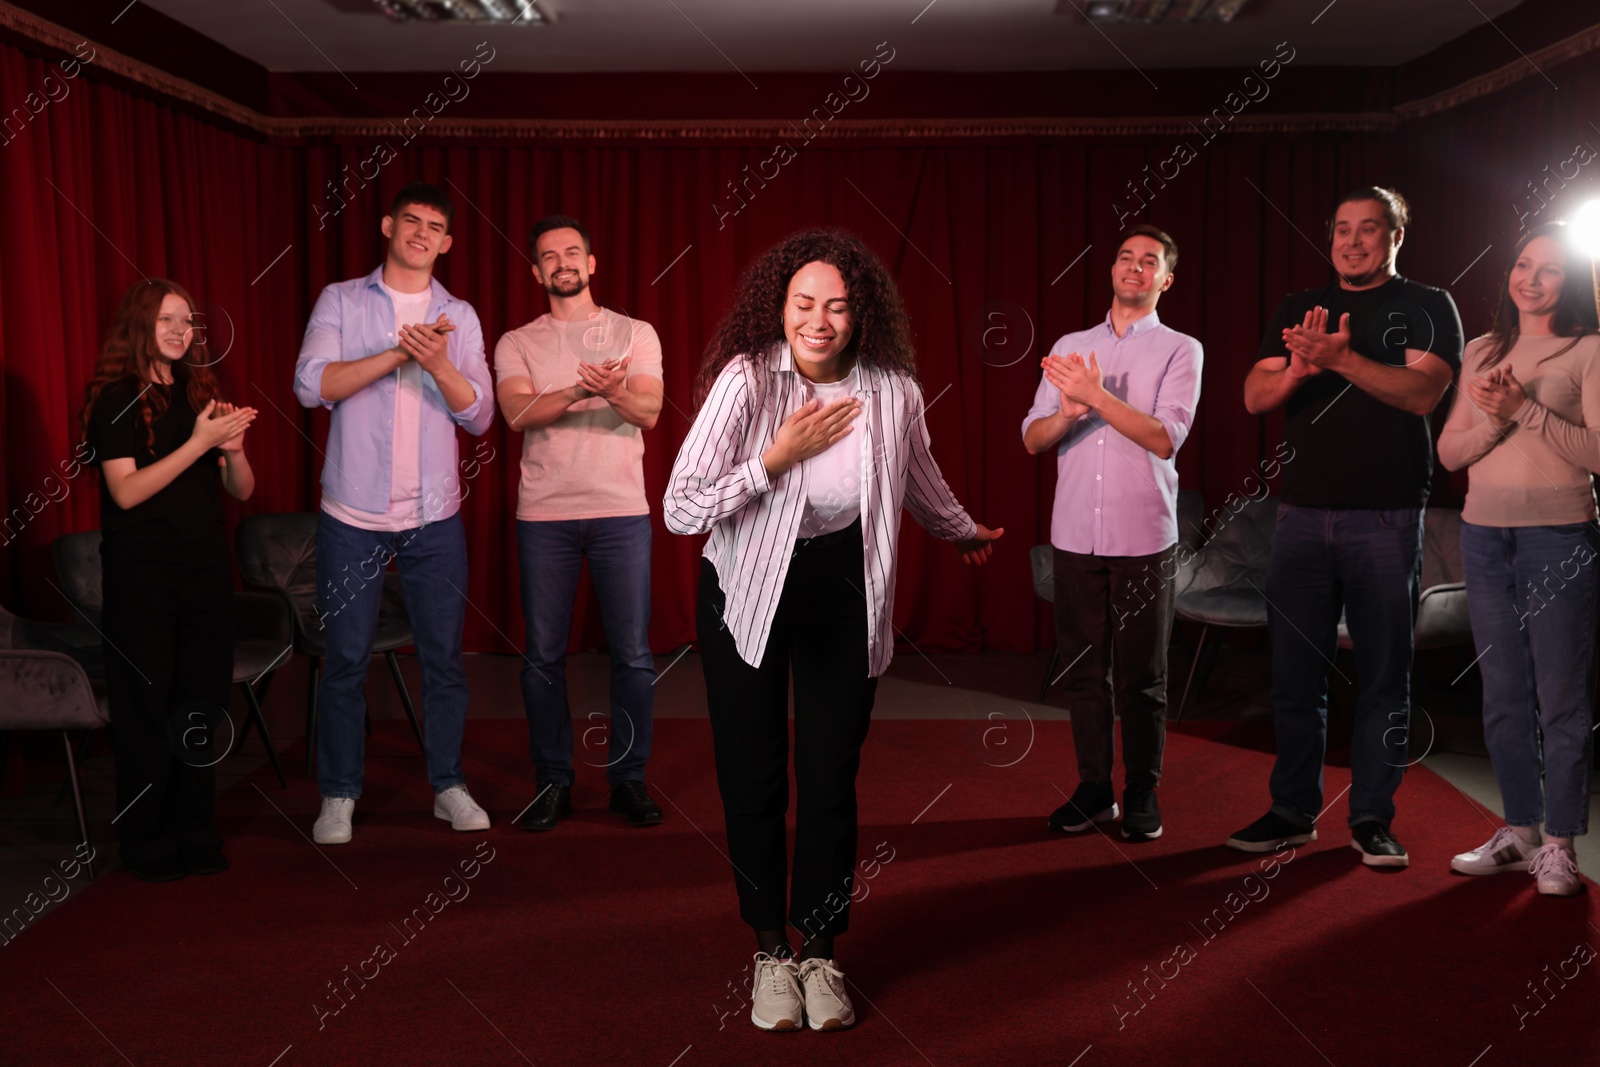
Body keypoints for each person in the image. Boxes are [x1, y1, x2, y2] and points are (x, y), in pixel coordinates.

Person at [664, 228, 1003, 1032]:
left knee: (829, 776)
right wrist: (774, 459)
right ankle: (769, 951)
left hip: (845, 585)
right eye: (803, 303)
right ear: (779, 305)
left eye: (837, 307)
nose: (818, 320)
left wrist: (959, 529)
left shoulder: (893, 390)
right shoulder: (748, 380)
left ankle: (819, 948)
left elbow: (918, 476)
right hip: (746, 586)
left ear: (863, 315)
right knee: (754, 774)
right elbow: (681, 506)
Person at [1230, 186, 1462, 868]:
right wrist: (1300, 368)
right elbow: (1253, 395)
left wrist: (1342, 361)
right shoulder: (1300, 307)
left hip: (1386, 517)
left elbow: (1421, 392)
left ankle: (1371, 817)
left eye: (1369, 230)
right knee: (1295, 676)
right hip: (1300, 516)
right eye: (1342, 230)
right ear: (1330, 239)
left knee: (1385, 677)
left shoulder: (1426, 304)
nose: (1353, 241)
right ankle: (1292, 809)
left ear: (1395, 238)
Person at [293, 181, 495, 845]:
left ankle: (448, 785)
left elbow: (480, 414)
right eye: (411, 220)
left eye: (435, 225)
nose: (421, 232)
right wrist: (398, 353)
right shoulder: (341, 300)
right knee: (346, 660)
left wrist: (436, 361)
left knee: (443, 659)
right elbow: (310, 383)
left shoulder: (458, 315)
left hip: (434, 518)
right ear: (388, 225)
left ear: (447, 242)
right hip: (351, 515)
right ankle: (339, 794)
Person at [1023, 224, 1202, 843]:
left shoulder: (1182, 349)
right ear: (1113, 270)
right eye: (1125, 257)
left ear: (1165, 279)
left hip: (1144, 540)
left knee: (1142, 676)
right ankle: (1095, 789)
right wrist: (1067, 412)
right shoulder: (1070, 346)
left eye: (1148, 261)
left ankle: (1142, 792)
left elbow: (1164, 437)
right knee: (1083, 671)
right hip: (1074, 536)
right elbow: (1032, 437)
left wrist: (1095, 397)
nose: (1134, 267)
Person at [1437, 222, 1599, 896]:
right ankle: (1520, 829)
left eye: (1549, 270)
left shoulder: (1589, 350)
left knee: (1560, 697)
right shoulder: (1481, 349)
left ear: (1573, 282)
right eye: (1522, 264)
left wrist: (1523, 410)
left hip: (1558, 536)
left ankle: (1559, 845)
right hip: (1484, 535)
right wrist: (1498, 420)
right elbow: (1448, 455)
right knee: (1503, 695)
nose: (1531, 279)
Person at [494, 214, 665, 831]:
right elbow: (516, 413)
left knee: (634, 656)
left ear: (591, 264)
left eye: (573, 252)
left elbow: (647, 411)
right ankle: (552, 782)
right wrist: (579, 388)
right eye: (549, 255)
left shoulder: (635, 332)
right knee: (541, 657)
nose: (562, 262)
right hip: (545, 517)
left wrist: (614, 391)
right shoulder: (516, 341)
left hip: (622, 512)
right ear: (535, 270)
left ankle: (628, 779)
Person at [82, 279, 257, 881]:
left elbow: (242, 490)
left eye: (187, 321)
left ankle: (195, 829)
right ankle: (146, 839)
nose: (182, 331)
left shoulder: (198, 390)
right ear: (139, 327)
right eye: (166, 320)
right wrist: (199, 442)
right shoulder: (115, 400)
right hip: (142, 582)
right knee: (145, 713)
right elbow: (126, 491)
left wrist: (231, 450)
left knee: (200, 709)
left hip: (205, 575)